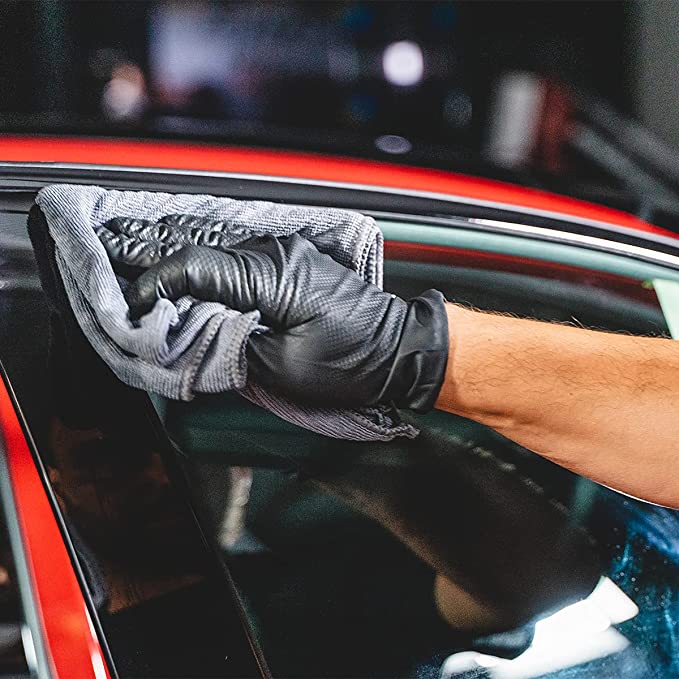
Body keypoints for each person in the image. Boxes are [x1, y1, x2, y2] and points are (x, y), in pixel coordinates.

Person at [123, 234, 679, 509]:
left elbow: (546, 581)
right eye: (105, 452)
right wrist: (402, 350)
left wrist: (402, 348)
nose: (141, 475)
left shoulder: (313, 583)